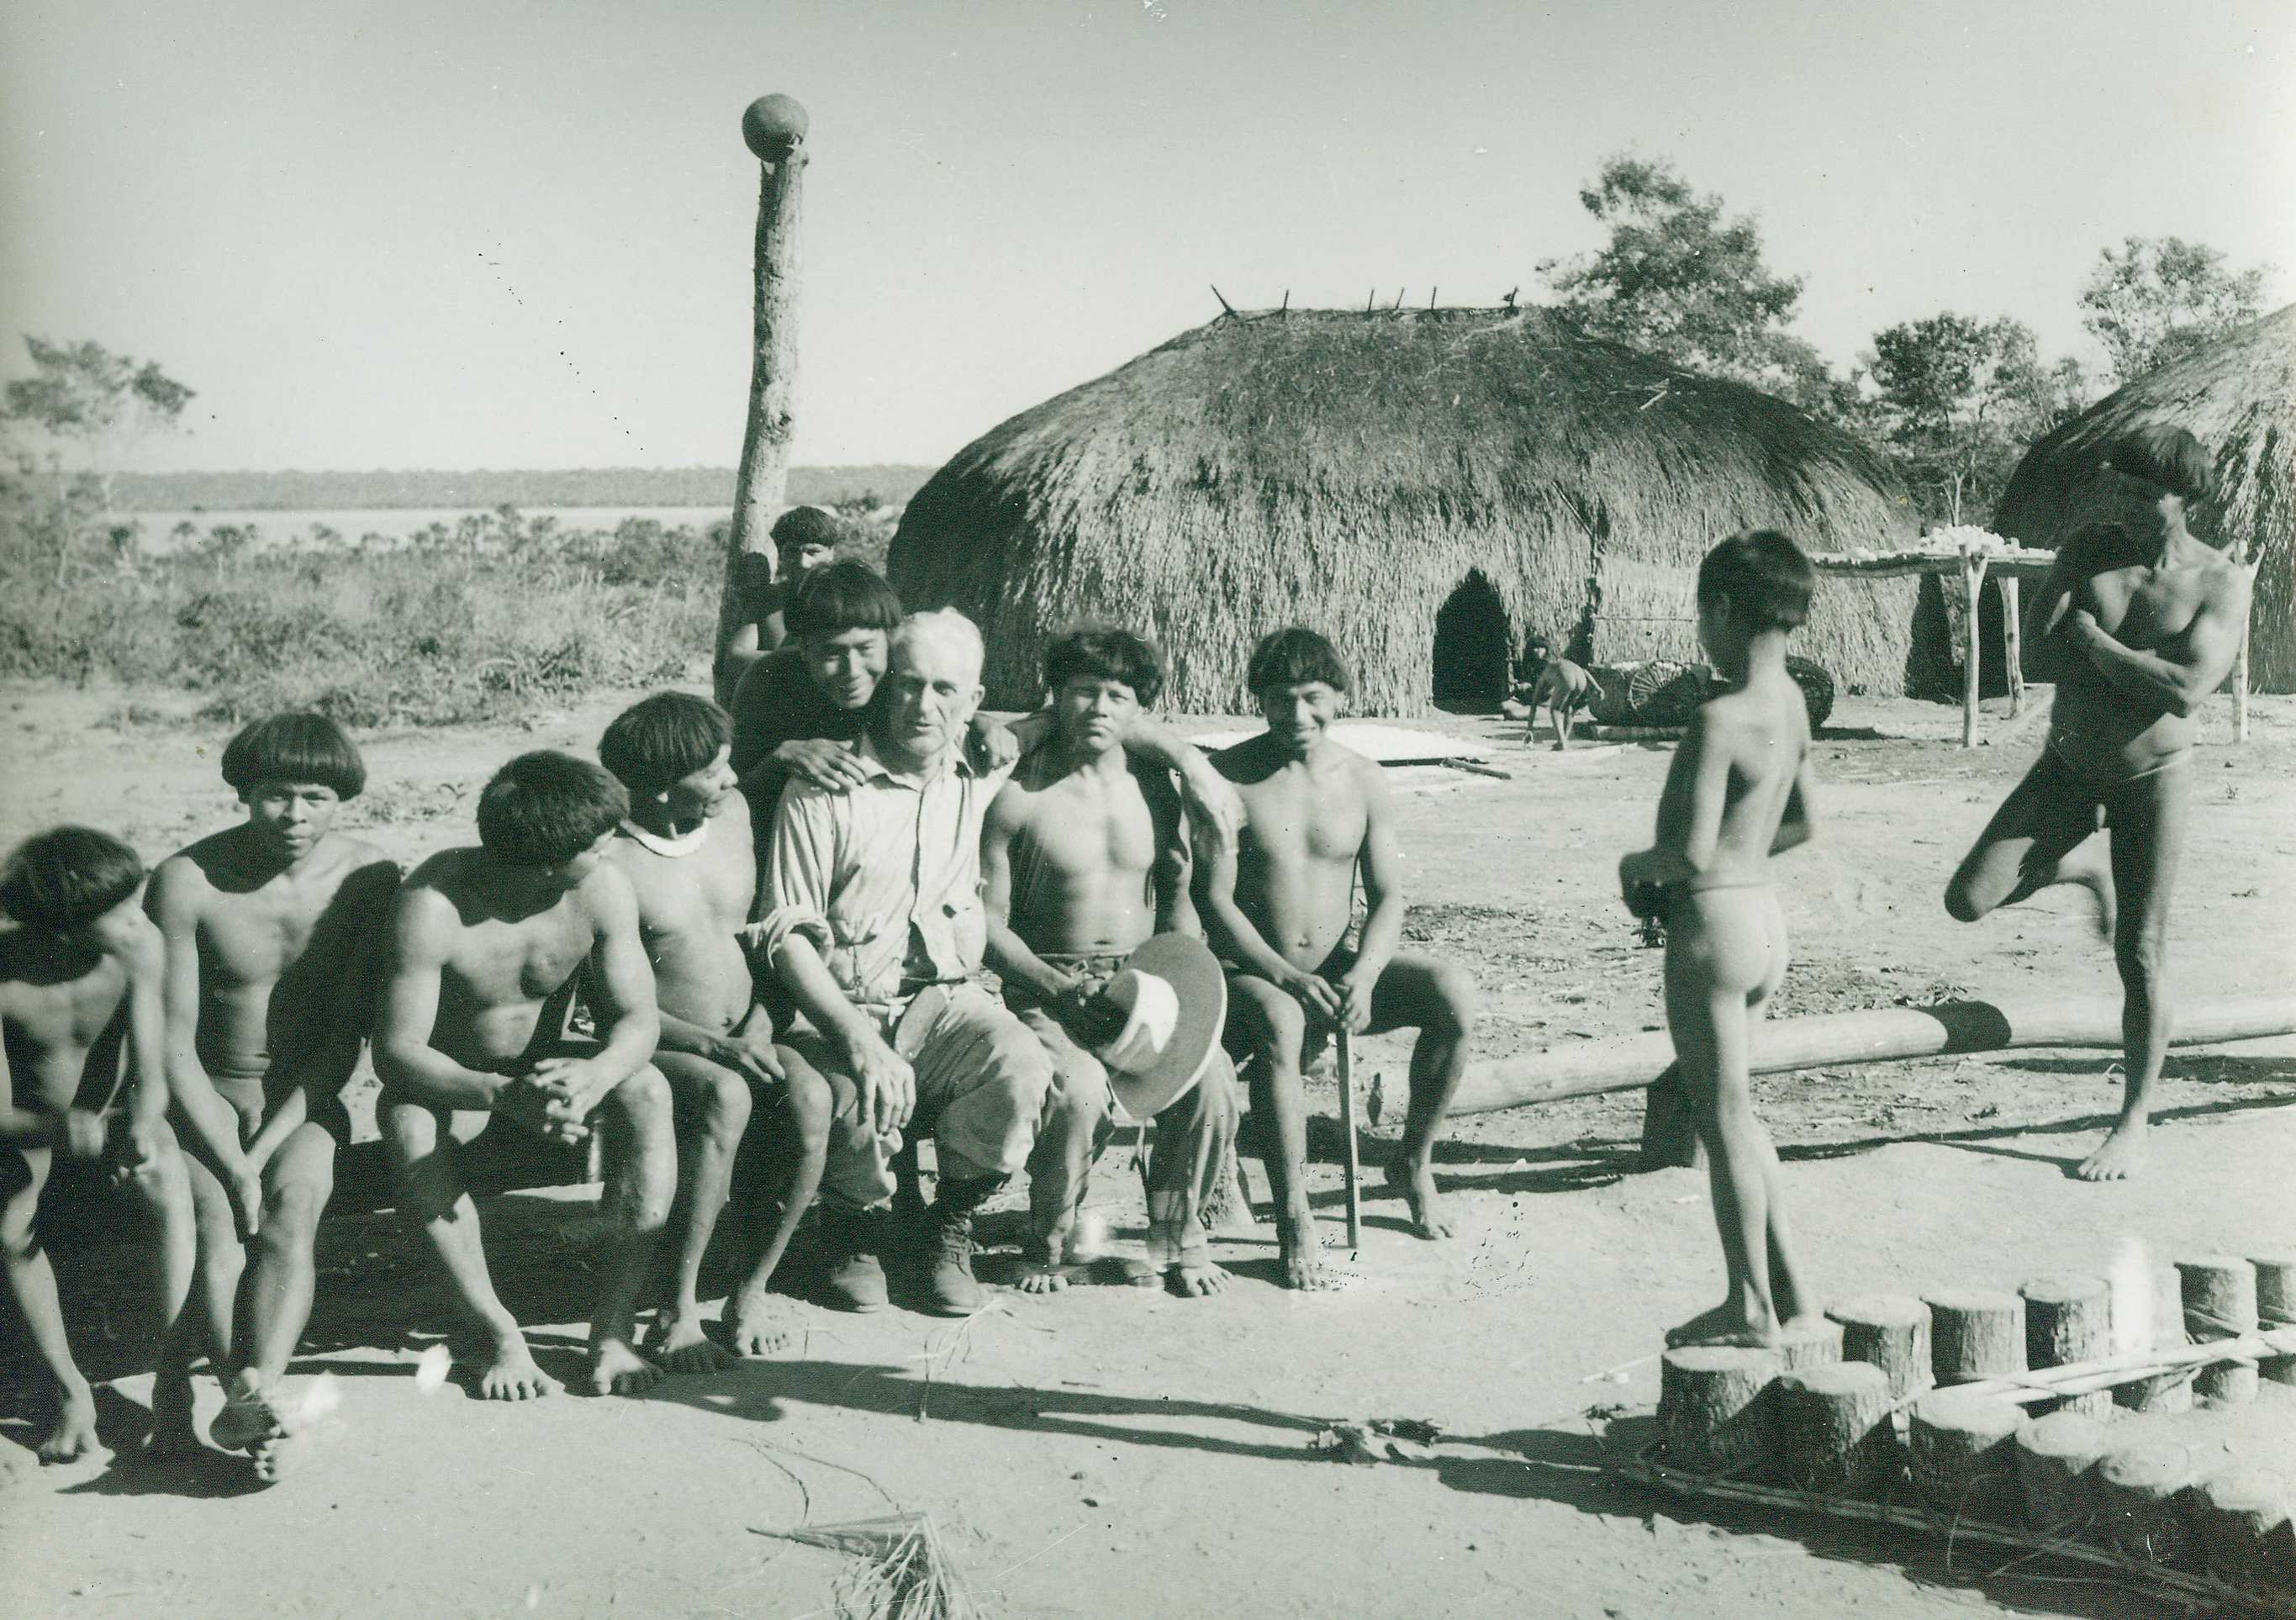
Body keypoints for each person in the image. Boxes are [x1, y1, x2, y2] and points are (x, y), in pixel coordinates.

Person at [1945, 425, 2250, 1181]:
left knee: (2139, 952)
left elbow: (2184, 692)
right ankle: (2085, 869)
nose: (2129, 504)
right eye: (2121, 488)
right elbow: (2041, 648)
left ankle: (2132, 1120)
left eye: (2147, 494)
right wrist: (2097, 642)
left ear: (2187, 498)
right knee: (1968, 898)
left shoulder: (2220, 580)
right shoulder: (2088, 549)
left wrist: (2096, 645)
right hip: (2066, 767)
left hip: (2155, 782)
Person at [755, 609, 1056, 1317]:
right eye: (909, 684)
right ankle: (859, 1226)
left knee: (1021, 1064)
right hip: (842, 1002)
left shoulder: (978, 768)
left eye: (945, 690)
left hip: (948, 1000)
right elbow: (786, 934)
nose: (924, 706)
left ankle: (946, 1223)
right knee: (853, 1089)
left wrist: (1193, 763)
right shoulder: (825, 786)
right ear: (887, 686)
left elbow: (1074, 711)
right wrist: (857, 1038)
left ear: (975, 702)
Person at [373, 752, 676, 1398]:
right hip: (458, 1080)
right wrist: (500, 1093)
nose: (610, 852)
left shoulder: (601, 888)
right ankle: (496, 1332)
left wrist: (596, 1074)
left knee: (647, 1088)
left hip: (548, 1072)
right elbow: (397, 1051)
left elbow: (638, 1019)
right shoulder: (433, 904)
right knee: (405, 1121)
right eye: (595, 846)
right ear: (545, 862)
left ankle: (613, 1328)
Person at [145, 714, 399, 1477]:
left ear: (341, 798)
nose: (294, 815)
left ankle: (257, 1391)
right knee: (219, 1221)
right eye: (274, 796)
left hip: (303, 1095)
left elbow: (343, 1038)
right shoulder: (188, 879)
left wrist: (261, 1150)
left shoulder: (367, 878)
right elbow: (171, 1039)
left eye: (314, 796)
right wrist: (230, 1154)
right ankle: (245, 1399)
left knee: (295, 1206)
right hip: (200, 1094)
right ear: (243, 794)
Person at [1198, 628, 1480, 1289]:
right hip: (1251, 977)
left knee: (1453, 993)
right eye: (1279, 699)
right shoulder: (1229, 776)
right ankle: (1293, 1211)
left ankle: (1411, 1159)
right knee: (1282, 1018)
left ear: (1340, 697)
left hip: (1332, 974)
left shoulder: (1363, 779)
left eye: (1311, 698)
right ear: (1257, 702)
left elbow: (1387, 896)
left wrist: (1365, 973)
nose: (1296, 715)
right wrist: (1283, 974)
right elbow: (1214, 901)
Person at [981, 626, 1238, 1298]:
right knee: (1078, 1090)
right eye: (1083, 691)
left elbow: (1179, 895)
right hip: (1047, 980)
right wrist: (1050, 986)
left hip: (1146, 978)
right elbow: (984, 921)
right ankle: (1048, 1240)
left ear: (1138, 710)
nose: (1098, 707)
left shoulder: (1156, 787)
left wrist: (1187, 979)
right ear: (1056, 698)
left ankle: (1177, 1233)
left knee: (1210, 1080)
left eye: (1117, 695)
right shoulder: (1018, 790)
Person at [1618, 531, 1822, 1349]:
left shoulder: (1717, 716)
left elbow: (1689, 853)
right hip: (1765, 922)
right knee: (1744, 1119)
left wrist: (1636, 866)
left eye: (1702, 614)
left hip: (1712, 927)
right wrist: (1740, 860)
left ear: (1724, 610)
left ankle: (1747, 1305)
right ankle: (1794, 1290)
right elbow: (1803, 822)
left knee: (1723, 1118)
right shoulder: (1794, 705)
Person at [596, 693, 834, 1361]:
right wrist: (714, 1045)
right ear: (662, 787)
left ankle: (751, 1289)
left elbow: (760, 942)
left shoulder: (733, 818)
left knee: (814, 1099)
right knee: (726, 1095)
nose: (731, 778)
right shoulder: (613, 862)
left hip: (753, 1030)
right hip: (664, 1040)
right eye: (713, 771)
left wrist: (759, 1025)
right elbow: (616, 1003)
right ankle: (676, 1308)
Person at [1, 826, 197, 1464]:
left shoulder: (138, 947)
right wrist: (58, 1132)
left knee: (168, 1179)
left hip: (114, 1118)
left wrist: (141, 1122)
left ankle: (174, 1389)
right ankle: (68, 1389)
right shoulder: (7, 975)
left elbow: (152, 1066)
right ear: (63, 928)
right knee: (10, 1227)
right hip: (31, 1128)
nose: (136, 919)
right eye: (116, 911)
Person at [714, 505, 846, 706]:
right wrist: (810, 657)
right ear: (781, 555)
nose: (803, 562)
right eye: (792, 552)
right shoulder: (769, 599)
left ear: (831, 553)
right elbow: (736, 657)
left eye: (813, 552)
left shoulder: (848, 597)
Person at [1528, 656, 1596, 750]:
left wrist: (1529, 730)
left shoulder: (1541, 679)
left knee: (1554, 710)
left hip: (1567, 676)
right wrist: (1597, 687)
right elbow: (1584, 670)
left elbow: (1533, 706)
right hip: (1581, 678)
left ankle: (1561, 742)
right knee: (1568, 708)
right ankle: (1564, 740)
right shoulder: (1554, 666)